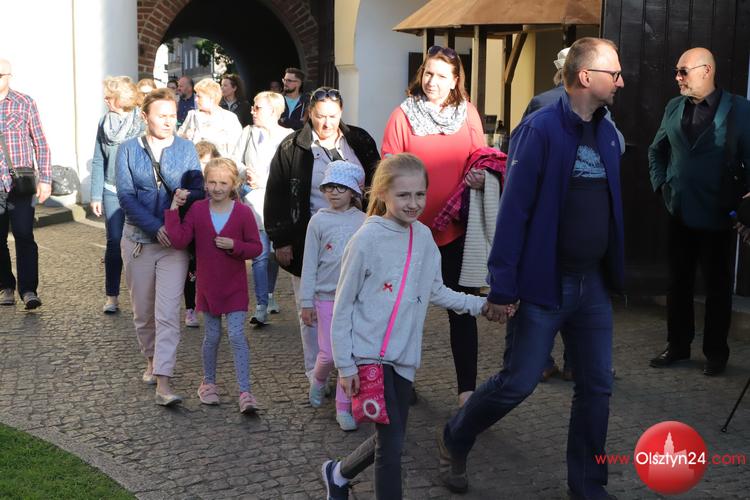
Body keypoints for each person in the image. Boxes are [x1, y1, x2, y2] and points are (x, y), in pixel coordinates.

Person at [438, 37, 625, 500]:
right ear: (586, 77)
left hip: (592, 284)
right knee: (518, 383)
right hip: (545, 282)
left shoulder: (607, 131)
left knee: (597, 386)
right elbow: (515, 210)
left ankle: (588, 487)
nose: (621, 82)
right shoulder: (540, 129)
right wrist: (502, 286)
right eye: (614, 74)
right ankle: (457, 434)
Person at [320, 153, 487, 500]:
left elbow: (437, 290)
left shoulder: (424, 238)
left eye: (420, 194)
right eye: (404, 195)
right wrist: (346, 365)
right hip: (368, 357)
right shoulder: (365, 239)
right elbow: (343, 305)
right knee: (392, 447)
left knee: (391, 437)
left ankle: (339, 473)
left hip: (404, 358)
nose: (413, 203)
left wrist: (482, 305)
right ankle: (341, 475)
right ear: (383, 193)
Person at [381, 45, 486, 408]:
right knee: (405, 310)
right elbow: (389, 166)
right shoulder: (402, 115)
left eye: (441, 75)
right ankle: (400, 381)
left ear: (456, 80)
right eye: (428, 73)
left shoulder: (468, 114)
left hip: (456, 230)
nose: (432, 81)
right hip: (410, 231)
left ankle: (467, 392)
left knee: (462, 310)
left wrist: (480, 175)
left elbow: (482, 158)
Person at [264, 87, 380, 384]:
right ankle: (316, 373)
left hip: (356, 235)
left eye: (332, 116)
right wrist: (281, 239)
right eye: (319, 116)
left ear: (341, 113)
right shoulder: (292, 146)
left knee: (355, 305)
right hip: (309, 238)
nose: (326, 123)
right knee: (312, 310)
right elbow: (276, 192)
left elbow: (378, 180)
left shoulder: (360, 140)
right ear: (309, 114)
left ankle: (350, 369)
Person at [648, 47, 750, 377]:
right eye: (677, 71)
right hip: (678, 211)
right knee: (678, 283)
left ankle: (716, 353)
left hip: (719, 215)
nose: (677, 78)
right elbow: (656, 150)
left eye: (683, 71)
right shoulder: (674, 106)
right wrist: (662, 185)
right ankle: (678, 345)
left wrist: (746, 205)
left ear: (706, 71)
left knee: (718, 287)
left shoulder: (740, 109)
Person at [117, 87, 204, 406]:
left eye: (173, 116)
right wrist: (155, 228)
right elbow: (126, 197)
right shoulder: (128, 150)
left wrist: (187, 195)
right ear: (145, 116)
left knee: (167, 313)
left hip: (174, 244)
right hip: (139, 242)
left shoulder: (186, 148)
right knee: (143, 312)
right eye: (162, 116)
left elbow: (199, 189)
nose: (169, 122)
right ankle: (151, 359)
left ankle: (164, 382)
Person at [165, 158, 262, 413]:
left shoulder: (243, 213)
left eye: (223, 183)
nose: (217, 188)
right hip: (208, 287)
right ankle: (208, 383)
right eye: (212, 182)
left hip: (235, 287)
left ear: (234, 184)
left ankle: (245, 391)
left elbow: (256, 247)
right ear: (205, 184)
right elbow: (179, 239)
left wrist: (235, 246)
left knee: (237, 336)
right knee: (213, 336)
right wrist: (174, 208)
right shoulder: (198, 210)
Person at [300, 160, 366, 431]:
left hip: (354, 299)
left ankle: (343, 407)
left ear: (353, 192)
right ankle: (318, 380)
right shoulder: (318, 221)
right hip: (325, 298)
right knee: (328, 354)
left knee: (348, 357)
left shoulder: (364, 221)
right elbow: (309, 264)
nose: (334, 192)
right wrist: (306, 302)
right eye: (329, 187)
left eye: (341, 187)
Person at [235, 91, 292, 324]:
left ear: (273, 111)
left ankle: (268, 294)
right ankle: (260, 305)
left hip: (278, 204)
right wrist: (245, 172)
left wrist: (265, 180)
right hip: (254, 202)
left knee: (273, 254)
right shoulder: (248, 132)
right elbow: (235, 160)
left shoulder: (288, 137)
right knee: (259, 254)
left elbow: (291, 172)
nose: (252, 111)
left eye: (257, 107)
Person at [90, 76, 145, 314]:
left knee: (140, 242)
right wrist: (95, 195)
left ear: (122, 98)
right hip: (111, 190)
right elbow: (98, 159)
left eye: (109, 97)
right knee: (114, 242)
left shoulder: (141, 122)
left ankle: (141, 296)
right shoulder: (104, 122)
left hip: (138, 190)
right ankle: (111, 296)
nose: (106, 100)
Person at [0, 58, 51, 309]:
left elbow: (40, 143)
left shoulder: (24, 102)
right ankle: (6, 286)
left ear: (9, 76)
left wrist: (46, 179)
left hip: (20, 183)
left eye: (0, 75)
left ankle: (29, 290)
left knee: (23, 234)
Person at [182, 141, 220, 329]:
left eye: (208, 163)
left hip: (213, 237)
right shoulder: (190, 184)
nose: (204, 168)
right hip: (194, 239)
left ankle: (214, 308)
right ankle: (190, 308)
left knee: (213, 275)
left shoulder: (219, 185)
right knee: (191, 274)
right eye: (201, 163)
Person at [178, 78, 242, 158]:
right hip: (195, 162)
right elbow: (178, 139)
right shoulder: (192, 115)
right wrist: (185, 136)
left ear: (211, 98)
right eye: (196, 96)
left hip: (219, 163)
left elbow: (237, 149)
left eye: (199, 96)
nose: (196, 99)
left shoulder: (229, 118)